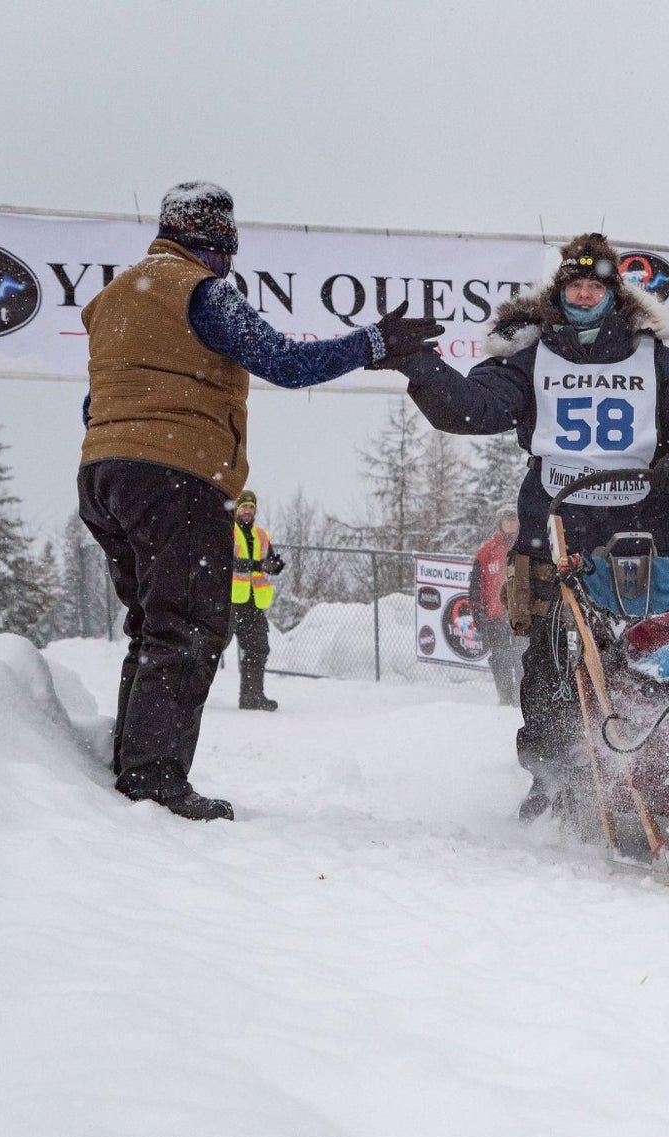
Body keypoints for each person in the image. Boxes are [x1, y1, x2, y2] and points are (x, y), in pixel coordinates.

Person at [77, 182, 442, 821]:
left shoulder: (114, 297)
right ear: (216, 243)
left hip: (104, 473)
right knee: (187, 628)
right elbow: (284, 361)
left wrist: (122, 446)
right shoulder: (202, 291)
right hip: (176, 474)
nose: (230, 264)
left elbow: (100, 395)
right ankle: (153, 781)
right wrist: (374, 343)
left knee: (151, 625)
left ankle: (132, 765)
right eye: (227, 250)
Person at [378, 233, 669, 820]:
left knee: (650, 648)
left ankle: (666, 764)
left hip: (644, 529)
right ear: (559, 291)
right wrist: (420, 365)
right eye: (573, 285)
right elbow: (474, 408)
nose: (583, 294)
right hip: (558, 527)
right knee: (549, 656)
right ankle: (552, 775)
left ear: (613, 294)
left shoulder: (654, 358)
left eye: (594, 285)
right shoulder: (532, 355)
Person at [227, 490, 285, 711]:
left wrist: (274, 566)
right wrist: (258, 565)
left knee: (258, 650)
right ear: (236, 509)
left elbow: (267, 561)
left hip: (253, 603)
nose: (248, 511)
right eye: (244, 507)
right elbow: (225, 561)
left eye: (251, 507)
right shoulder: (228, 531)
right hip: (228, 603)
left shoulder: (262, 535)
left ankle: (252, 697)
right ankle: (190, 695)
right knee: (210, 650)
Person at [471, 506, 524, 705]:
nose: (510, 524)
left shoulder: (525, 546)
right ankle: (505, 698)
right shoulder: (486, 552)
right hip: (495, 616)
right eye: (506, 520)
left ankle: (522, 699)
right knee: (501, 659)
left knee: (522, 657)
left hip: (521, 615)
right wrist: (478, 613)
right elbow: (476, 587)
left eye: (513, 520)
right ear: (499, 524)